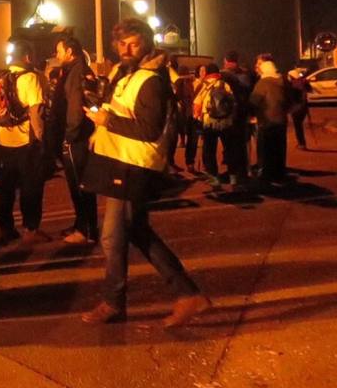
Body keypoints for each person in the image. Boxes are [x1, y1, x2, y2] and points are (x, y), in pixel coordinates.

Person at [81, 18, 209, 327]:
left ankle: (114, 302)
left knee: (112, 236)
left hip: (134, 164)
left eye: (134, 44)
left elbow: (148, 129)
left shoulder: (151, 80)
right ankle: (187, 294)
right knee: (136, 230)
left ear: (146, 44)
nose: (127, 49)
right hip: (120, 160)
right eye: (122, 44)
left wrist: (105, 122)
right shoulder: (126, 74)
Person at [0, 40, 49, 246]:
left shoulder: (0, 77)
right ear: (27, 57)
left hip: (3, 139)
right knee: (31, 186)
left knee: (6, 187)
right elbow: (36, 113)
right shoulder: (31, 78)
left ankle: (5, 228)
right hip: (25, 141)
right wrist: (41, 137)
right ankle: (30, 228)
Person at [48, 37, 98, 244]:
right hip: (75, 137)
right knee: (78, 185)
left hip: (75, 139)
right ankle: (81, 224)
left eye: (59, 51)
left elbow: (75, 108)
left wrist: (69, 136)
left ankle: (86, 230)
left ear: (69, 52)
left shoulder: (76, 72)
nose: (57, 55)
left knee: (80, 186)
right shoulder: (74, 71)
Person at [250, 55, 289, 184]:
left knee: (265, 149)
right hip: (281, 121)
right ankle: (279, 174)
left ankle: (266, 174)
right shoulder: (282, 81)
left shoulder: (263, 83)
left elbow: (253, 101)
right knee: (279, 148)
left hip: (266, 121)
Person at [192, 63, 232, 186]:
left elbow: (197, 104)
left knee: (209, 149)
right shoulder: (224, 84)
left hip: (209, 121)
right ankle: (233, 175)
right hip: (226, 121)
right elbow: (232, 101)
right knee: (229, 148)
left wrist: (197, 118)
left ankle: (214, 176)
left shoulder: (204, 85)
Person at [219, 50, 253, 187]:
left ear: (226, 60)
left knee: (230, 145)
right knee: (241, 144)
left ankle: (233, 173)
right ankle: (242, 172)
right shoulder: (245, 74)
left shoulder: (224, 75)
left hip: (229, 114)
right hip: (242, 113)